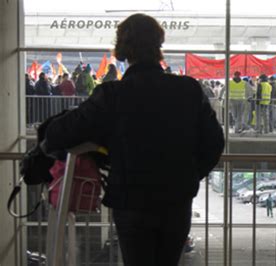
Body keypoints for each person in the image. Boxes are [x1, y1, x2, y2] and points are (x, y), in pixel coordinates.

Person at [41, 14, 224, 266]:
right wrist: (190, 175)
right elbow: (214, 142)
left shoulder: (113, 95)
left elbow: (63, 132)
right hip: (176, 200)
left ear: (123, 50)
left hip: (131, 201)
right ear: (159, 44)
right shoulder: (188, 90)